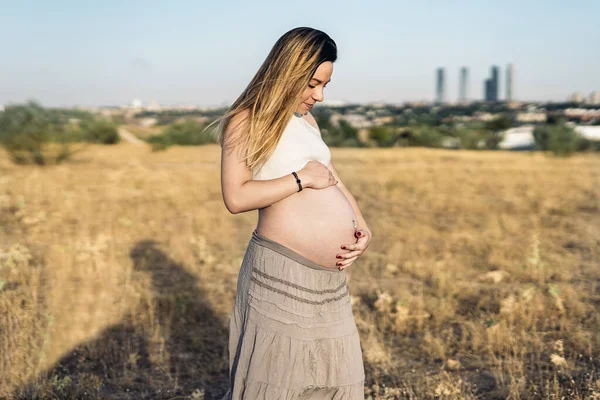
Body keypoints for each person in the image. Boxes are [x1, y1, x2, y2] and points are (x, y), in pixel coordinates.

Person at [208, 26, 373, 399]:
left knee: (331, 379)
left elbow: (330, 176)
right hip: (281, 270)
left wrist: (360, 224)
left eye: (325, 85)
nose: (320, 96)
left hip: (328, 282)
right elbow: (236, 197)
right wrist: (300, 179)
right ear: (288, 72)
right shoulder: (246, 121)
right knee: (279, 379)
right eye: (313, 84)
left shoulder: (307, 122)